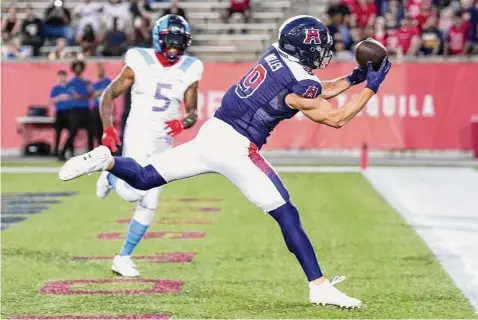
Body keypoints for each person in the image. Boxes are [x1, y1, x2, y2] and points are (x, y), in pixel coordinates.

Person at [59, 15, 392, 308]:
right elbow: (336, 118)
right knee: (286, 213)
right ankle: (319, 287)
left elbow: (315, 90)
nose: (321, 54)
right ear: (302, 51)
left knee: (145, 178)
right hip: (238, 150)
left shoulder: (276, 53)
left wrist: (354, 77)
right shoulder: (300, 83)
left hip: (212, 133)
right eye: (317, 48)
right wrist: (372, 87)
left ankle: (107, 162)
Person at [95, 14, 202, 277]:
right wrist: (108, 128)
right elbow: (108, 94)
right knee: (134, 194)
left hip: (163, 140)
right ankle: (110, 175)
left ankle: (123, 257)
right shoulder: (138, 60)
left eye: (179, 41)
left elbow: (192, 111)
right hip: (139, 132)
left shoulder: (191, 67)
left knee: (151, 201)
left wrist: (183, 123)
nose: (175, 47)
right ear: (159, 39)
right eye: (171, 40)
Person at [59, 60, 94, 160]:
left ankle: (91, 154)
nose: (78, 69)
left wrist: (86, 85)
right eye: (76, 67)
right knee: (72, 132)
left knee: (91, 132)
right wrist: (86, 96)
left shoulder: (87, 81)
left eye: (80, 67)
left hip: (86, 109)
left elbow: (92, 93)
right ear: (74, 69)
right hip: (75, 110)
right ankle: (63, 152)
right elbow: (76, 96)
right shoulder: (71, 82)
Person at [50, 69, 73, 156]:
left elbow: (75, 97)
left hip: (69, 112)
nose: (62, 78)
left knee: (71, 132)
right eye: (61, 76)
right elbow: (51, 100)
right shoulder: (55, 88)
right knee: (58, 132)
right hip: (59, 112)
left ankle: (70, 150)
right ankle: (55, 150)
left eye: (64, 76)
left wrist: (68, 98)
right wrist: (59, 98)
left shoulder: (70, 87)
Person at [91, 63, 112, 146]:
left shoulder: (108, 81)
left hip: (105, 109)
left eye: (101, 70)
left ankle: (108, 148)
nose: (100, 72)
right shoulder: (95, 84)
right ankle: (99, 147)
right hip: (96, 109)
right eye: (98, 70)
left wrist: (101, 92)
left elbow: (110, 92)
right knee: (96, 130)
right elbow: (92, 95)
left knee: (106, 130)